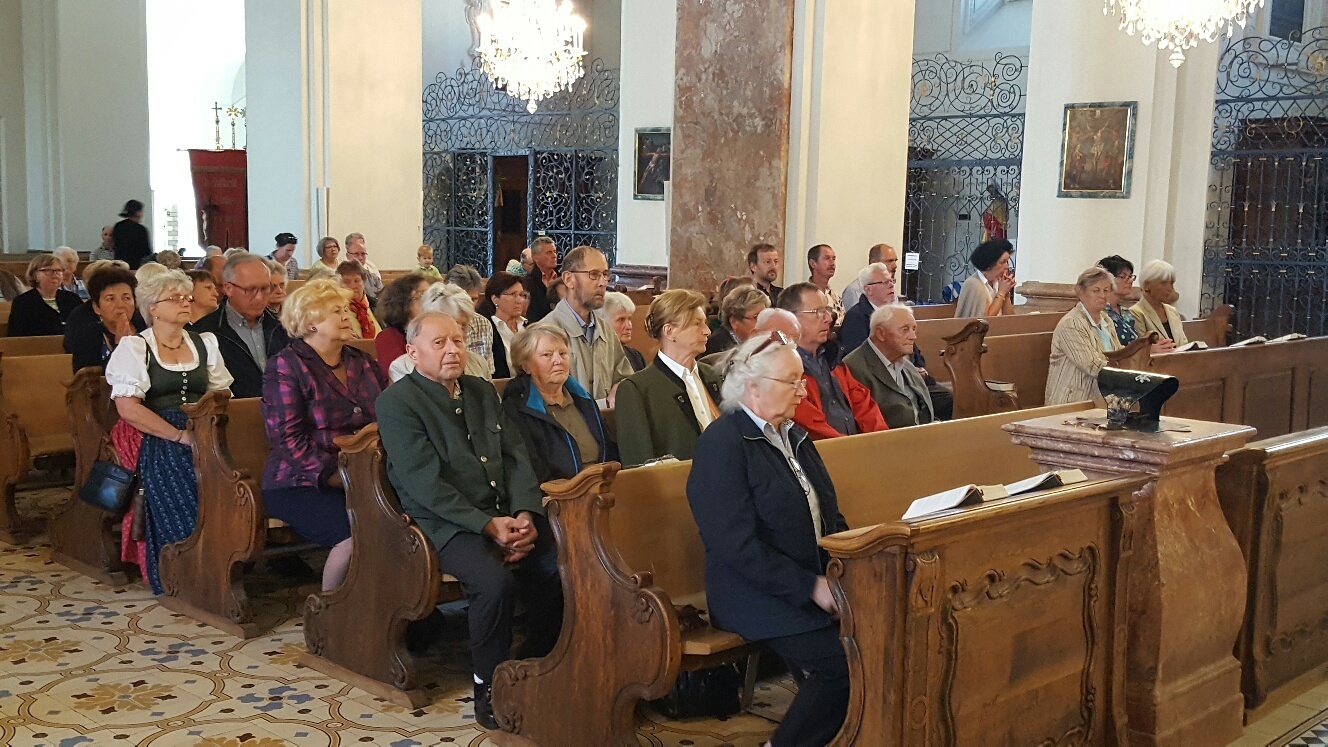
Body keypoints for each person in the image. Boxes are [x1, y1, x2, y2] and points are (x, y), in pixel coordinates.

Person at [376, 311, 563, 730]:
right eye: (439, 343)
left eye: (458, 341)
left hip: (501, 512)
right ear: (412, 352)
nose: (452, 350)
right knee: (493, 583)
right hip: (442, 522)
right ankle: (488, 687)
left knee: (561, 562)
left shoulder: (480, 390)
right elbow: (423, 483)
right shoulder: (398, 402)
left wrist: (525, 512)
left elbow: (515, 456)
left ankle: (535, 662)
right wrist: (487, 525)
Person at [685, 331, 849, 747]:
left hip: (812, 581)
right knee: (842, 664)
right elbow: (734, 545)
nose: (803, 390)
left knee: (887, 636)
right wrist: (809, 586)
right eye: (791, 381)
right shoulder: (722, 444)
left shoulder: (793, 435)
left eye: (801, 380)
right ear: (752, 387)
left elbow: (829, 514)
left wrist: (851, 564)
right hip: (751, 593)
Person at [105, 269, 234, 593]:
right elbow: (129, 408)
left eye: (187, 297)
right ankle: (184, 570)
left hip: (203, 424)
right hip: (158, 432)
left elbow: (221, 394)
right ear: (153, 308)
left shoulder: (205, 342)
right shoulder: (136, 348)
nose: (185, 303)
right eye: (174, 298)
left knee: (234, 472)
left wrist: (204, 426)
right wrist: (178, 435)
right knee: (184, 474)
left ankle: (228, 561)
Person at [261, 280, 388, 592]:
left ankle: (385, 600)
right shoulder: (286, 366)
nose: (346, 316)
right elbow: (287, 440)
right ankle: (332, 605)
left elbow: (389, 413)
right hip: (301, 482)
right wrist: (339, 476)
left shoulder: (361, 361)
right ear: (310, 323)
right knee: (355, 531)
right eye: (336, 311)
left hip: (366, 473)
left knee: (404, 523)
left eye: (345, 309)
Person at [615, 290, 722, 467]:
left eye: (705, 323)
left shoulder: (713, 376)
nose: (707, 331)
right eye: (697, 324)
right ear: (669, 331)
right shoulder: (637, 389)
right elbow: (638, 466)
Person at [501, 324, 616, 482]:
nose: (558, 361)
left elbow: (609, 448)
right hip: (562, 490)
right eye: (547, 355)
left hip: (605, 481)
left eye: (563, 353)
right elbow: (531, 470)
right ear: (526, 366)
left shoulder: (583, 399)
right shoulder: (518, 408)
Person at [777, 283, 887, 440]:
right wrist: (852, 448)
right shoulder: (785, 369)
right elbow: (811, 426)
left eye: (827, 310)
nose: (828, 319)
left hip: (856, 447)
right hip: (825, 450)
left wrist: (882, 440)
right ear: (791, 318)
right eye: (817, 312)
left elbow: (864, 405)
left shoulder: (832, 359)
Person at [190, 253, 292, 398]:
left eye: (265, 289)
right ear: (228, 288)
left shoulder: (284, 327)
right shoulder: (204, 333)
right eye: (250, 290)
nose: (259, 297)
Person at [544, 245, 634, 406]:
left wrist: (619, 388)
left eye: (605, 275)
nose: (602, 283)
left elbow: (624, 375)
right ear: (568, 279)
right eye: (594, 275)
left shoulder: (606, 330)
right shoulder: (545, 332)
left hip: (604, 419)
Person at [843, 304, 935, 428]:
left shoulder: (907, 366)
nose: (913, 336)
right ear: (880, 333)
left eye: (914, 329)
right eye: (905, 329)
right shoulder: (853, 367)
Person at [1046, 267, 1123, 406]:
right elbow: (1091, 365)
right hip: (1073, 400)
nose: (1102, 295)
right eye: (1096, 290)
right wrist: (1126, 376)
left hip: (1103, 397)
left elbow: (1119, 354)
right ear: (1081, 293)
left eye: (1106, 290)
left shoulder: (1106, 320)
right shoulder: (1072, 323)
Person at [388, 283, 490, 381]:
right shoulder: (403, 368)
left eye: (463, 327)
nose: (460, 334)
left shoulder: (479, 364)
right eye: (451, 326)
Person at [64, 266, 143, 372]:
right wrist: (119, 346)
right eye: (110, 299)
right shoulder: (86, 336)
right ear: (97, 308)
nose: (120, 305)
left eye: (126, 298)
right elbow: (88, 377)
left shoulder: (146, 329)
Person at [9, 254, 82, 337]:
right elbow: (16, 336)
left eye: (58, 270)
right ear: (34, 275)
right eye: (47, 270)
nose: (55, 274)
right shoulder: (23, 302)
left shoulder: (72, 298)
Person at [374, 273, 430, 379]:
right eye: (422, 295)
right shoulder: (388, 338)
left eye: (431, 294)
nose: (430, 300)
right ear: (403, 303)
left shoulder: (437, 332)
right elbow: (401, 378)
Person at [837, 263, 896, 355]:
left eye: (892, 281)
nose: (891, 285)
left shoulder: (897, 314)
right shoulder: (855, 317)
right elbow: (857, 357)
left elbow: (913, 352)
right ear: (868, 289)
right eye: (885, 282)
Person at [477, 272, 527, 379]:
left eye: (522, 295)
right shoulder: (487, 330)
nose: (519, 300)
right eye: (513, 294)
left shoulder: (528, 326)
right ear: (495, 299)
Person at [447, 264, 494, 377]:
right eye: (463, 299)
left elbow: (487, 371)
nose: (469, 305)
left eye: (474, 299)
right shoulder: (437, 325)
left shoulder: (484, 324)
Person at [1132, 260, 1190, 346]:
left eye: (1171, 283)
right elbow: (1140, 348)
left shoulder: (1172, 311)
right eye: (1164, 283)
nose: (1170, 288)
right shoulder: (1135, 312)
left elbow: (1183, 343)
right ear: (1147, 285)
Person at [703, 285, 768, 360]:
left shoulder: (764, 342)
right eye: (756, 317)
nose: (763, 322)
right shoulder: (716, 347)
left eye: (765, 315)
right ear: (734, 322)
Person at [954, 239, 1016, 317]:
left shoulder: (998, 282)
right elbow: (985, 319)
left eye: (1007, 262)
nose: (1007, 266)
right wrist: (1001, 293)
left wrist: (1006, 293)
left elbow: (1010, 317)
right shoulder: (973, 284)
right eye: (1002, 262)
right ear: (989, 264)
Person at [1098, 255, 1142, 346]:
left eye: (1130, 276)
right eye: (1123, 276)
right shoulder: (1099, 312)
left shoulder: (1126, 312)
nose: (1130, 281)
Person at [841, 243, 897, 310]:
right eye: (889, 261)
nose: (895, 266)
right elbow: (857, 315)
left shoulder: (890, 288)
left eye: (895, 261)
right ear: (873, 262)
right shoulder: (854, 291)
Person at [335, 261, 380, 340]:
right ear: (338, 285)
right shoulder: (337, 311)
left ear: (363, 283)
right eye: (346, 282)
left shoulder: (376, 305)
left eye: (357, 281)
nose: (353, 286)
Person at [603, 291, 645, 372]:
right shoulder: (595, 358)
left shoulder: (635, 356)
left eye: (629, 319)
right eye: (621, 320)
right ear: (602, 322)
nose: (629, 326)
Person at [523, 236, 559, 323]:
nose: (554, 256)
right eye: (548, 253)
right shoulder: (527, 283)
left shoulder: (563, 279)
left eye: (554, 252)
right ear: (536, 258)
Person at [807, 244, 842, 325]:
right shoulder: (806, 295)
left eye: (833, 259)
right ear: (813, 263)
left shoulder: (835, 297)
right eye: (827, 258)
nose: (832, 263)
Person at [112, 199, 152, 268]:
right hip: (136, 267)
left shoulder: (118, 227)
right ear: (138, 212)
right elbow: (146, 252)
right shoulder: (141, 230)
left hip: (119, 266)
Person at [343, 233, 382, 302]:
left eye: (363, 254)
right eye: (356, 254)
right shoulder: (341, 275)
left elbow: (382, 295)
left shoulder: (373, 275)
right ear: (348, 255)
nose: (360, 258)